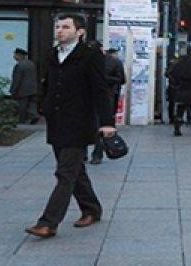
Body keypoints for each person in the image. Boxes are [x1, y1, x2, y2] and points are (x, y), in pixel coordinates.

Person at [26, 14, 113, 238]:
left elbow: (100, 90)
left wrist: (106, 122)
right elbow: (47, 83)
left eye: (65, 27)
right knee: (75, 171)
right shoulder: (52, 54)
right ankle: (91, 209)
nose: (60, 31)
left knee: (64, 173)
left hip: (79, 123)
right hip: (56, 123)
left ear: (80, 31)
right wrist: (43, 106)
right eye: (57, 27)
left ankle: (48, 223)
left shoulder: (90, 55)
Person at [90, 46, 126, 165]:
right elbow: (121, 79)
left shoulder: (112, 62)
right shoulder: (114, 62)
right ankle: (95, 153)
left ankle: (92, 153)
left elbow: (121, 79)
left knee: (95, 126)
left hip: (99, 98)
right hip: (105, 97)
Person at [10, 48, 39, 124]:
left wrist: (13, 90)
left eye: (15, 55)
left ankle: (21, 121)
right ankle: (34, 115)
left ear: (20, 55)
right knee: (32, 104)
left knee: (22, 106)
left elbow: (17, 80)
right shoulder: (31, 64)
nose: (14, 56)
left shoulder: (19, 66)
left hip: (22, 90)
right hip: (33, 88)